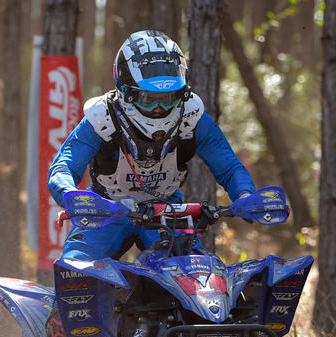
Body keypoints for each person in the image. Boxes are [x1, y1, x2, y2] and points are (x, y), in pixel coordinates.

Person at [47, 29, 256, 262]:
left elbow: (230, 168)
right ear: (126, 92)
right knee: (75, 271)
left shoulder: (192, 117)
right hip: (106, 212)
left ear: (183, 93)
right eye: (149, 99)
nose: (159, 109)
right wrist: (71, 195)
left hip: (167, 212)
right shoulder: (101, 117)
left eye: (169, 98)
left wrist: (245, 195)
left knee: (198, 276)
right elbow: (63, 166)